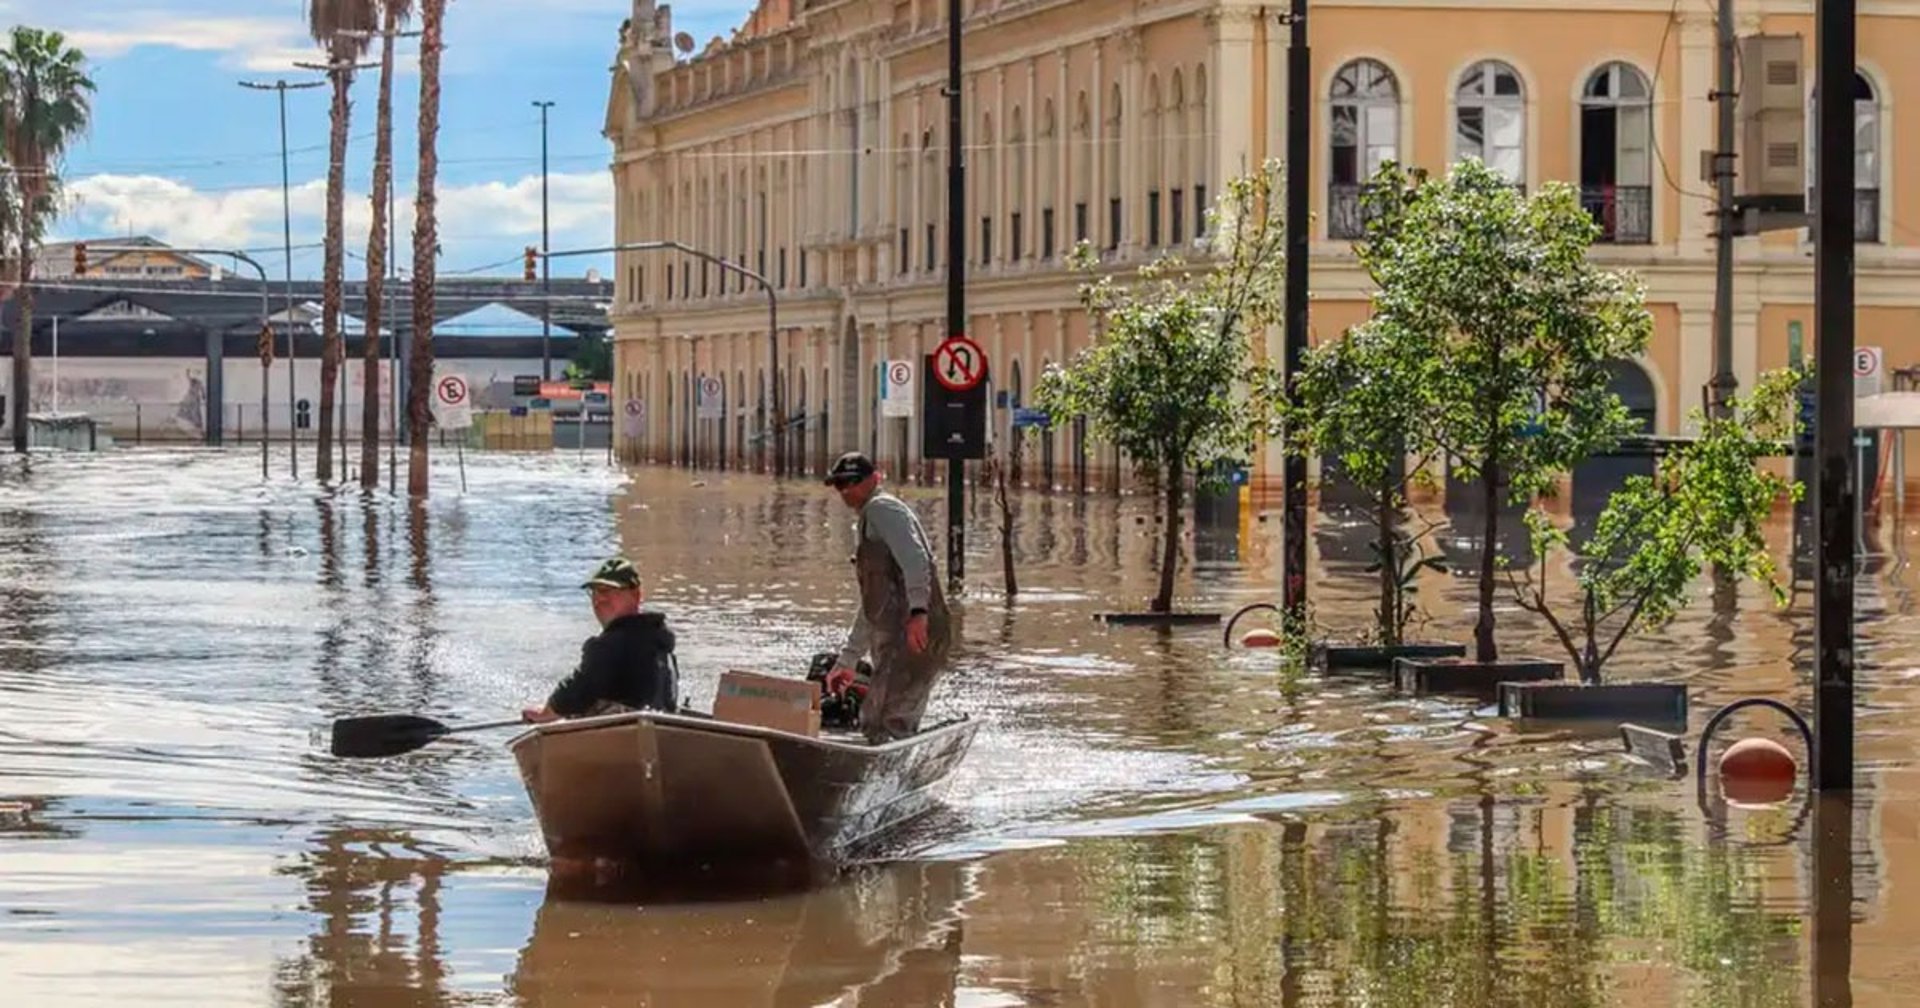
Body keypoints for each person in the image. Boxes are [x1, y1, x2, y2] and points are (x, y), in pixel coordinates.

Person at [823, 451, 953, 743]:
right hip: (895, 641)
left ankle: (886, 777)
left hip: (913, 636)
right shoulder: (870, 519)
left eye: (853, 483)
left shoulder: (882, 509)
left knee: (887, 722)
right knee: (878, 717)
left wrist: (918, 614)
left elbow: (917, 561)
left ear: (875, 478)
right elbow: (872, 606)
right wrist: (848, 659)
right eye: (840, 485)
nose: (846, 491)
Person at [522, 557, 679, 723]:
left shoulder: (611, 645)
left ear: (636, 595)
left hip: (626, 733)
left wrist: (546, 713)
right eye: (594, 592)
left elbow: (579, 689)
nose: (599, 599)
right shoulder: (659, 642)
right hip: (660, 731)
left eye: (608, 591)